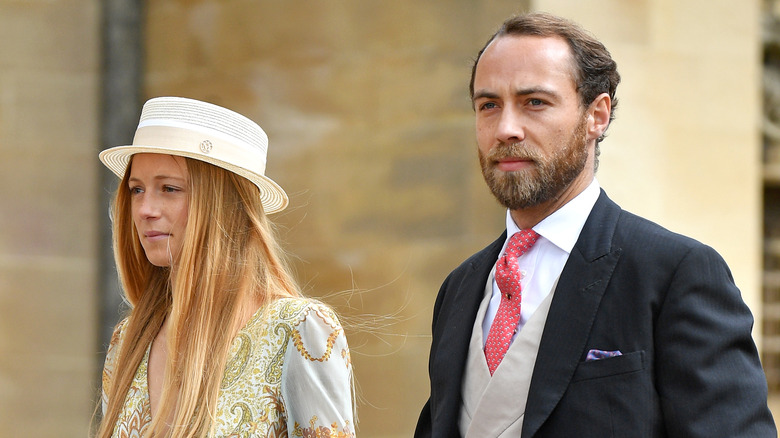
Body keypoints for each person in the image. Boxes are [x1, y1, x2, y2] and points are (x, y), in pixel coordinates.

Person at [415, 12, 776, 438]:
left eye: (535, 102)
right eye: (489, 105)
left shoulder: (677, 273)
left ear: (597, 115)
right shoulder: (459, 288)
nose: (506, 129)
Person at [95, 96, 355, 437]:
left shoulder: (298, 330)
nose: (145, 208)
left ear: (224, 205)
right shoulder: (127, 341)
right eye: (136, 189)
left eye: (169, 188)